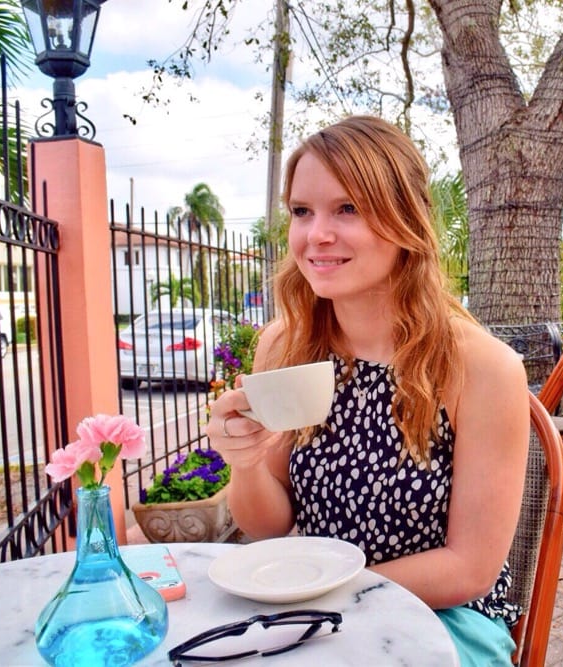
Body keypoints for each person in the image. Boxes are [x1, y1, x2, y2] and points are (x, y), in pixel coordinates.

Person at [206, 115, 530, 665]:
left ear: (406, 219)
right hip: (311, 613)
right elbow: (270, 525)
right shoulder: (286, 347)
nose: (317, 235)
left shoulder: (482, 367)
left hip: (442, 620)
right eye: (302, 212)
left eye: (348, 208)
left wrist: (323, 596)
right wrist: (247, 461)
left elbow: (469, 568)